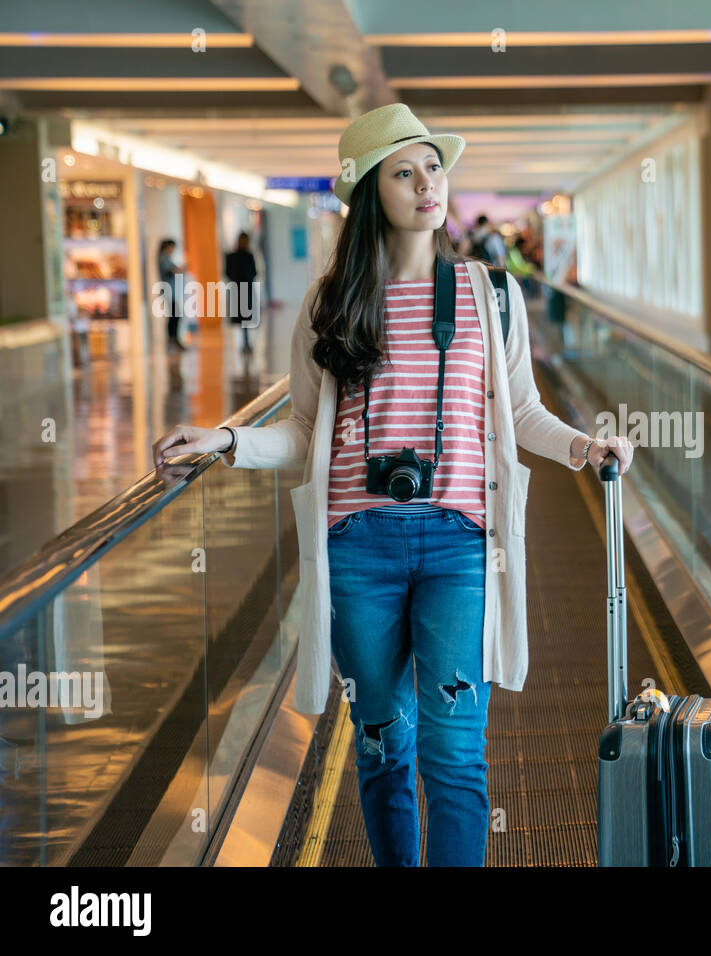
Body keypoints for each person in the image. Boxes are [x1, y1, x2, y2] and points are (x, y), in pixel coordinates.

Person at [150, 103, 634, 867]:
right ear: (371, 192)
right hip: (357, 550)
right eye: (403, 172)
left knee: (455, 754)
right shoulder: (329, 303)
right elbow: (308, 434)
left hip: (458, 546)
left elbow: (524, 414)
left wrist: (586, 447)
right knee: (381, 745)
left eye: (433, 167)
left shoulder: (490, 295)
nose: (426, 185)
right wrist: (228, 440)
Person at [223, 231, 259, 353]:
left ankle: (246, 342)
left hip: (238, 289)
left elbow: (227, 273)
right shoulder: (247, 255)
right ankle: (245, 342)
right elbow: (254, 273)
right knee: (245, 316)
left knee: (243, 317)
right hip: (244, 288)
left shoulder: (232, 256)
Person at [157, 239, 185, 351]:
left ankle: (174, 339)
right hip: (168, 291)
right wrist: (179, 269)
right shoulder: (163, 258)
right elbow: (171, 271)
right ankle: (172, 339)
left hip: (171, 291)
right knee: (173, 316)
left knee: (175, 316)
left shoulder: (167, 258)